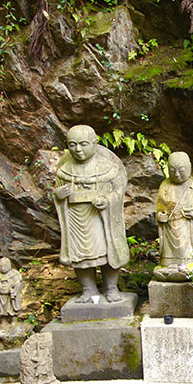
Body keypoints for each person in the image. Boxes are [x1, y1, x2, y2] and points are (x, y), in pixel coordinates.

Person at [53, 125, 129, 303]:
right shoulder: (64, 171)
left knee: (109, 251)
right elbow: (57, 192)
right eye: (72, 145)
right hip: (75, 217)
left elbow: (118, 191)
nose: (78, 149)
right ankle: (88, 289)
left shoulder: (108, 168)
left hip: (101, 217)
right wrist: (59, 196)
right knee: (80, 256)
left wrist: (108, 200)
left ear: (95, 144)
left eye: (83, 144)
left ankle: (111, 287)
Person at [154, 151, 193, 281]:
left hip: (187, 229)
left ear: (189, 167)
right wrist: (161, 216)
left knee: (188, 257)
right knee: (167, 262)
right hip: (170, 228)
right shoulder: (165, 186)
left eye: (181, 170)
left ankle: (189, 264)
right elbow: (160, 207)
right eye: (172, 171)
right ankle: (168, 264)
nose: (177, 175)